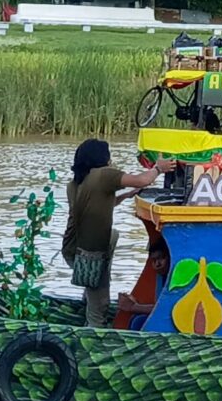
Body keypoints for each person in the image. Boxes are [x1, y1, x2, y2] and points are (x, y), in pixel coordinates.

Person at [62, 137, 164, 327]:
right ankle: (93, 338)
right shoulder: (104, 175)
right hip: (89, 255)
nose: (111, 160)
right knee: (100, 306)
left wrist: (125, 196)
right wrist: (159, 168)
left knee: (112, 236)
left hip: (72, 249)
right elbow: (142, 180)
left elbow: (95, 207)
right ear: (102, 158)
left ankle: (89, 298)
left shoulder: (76, 183)